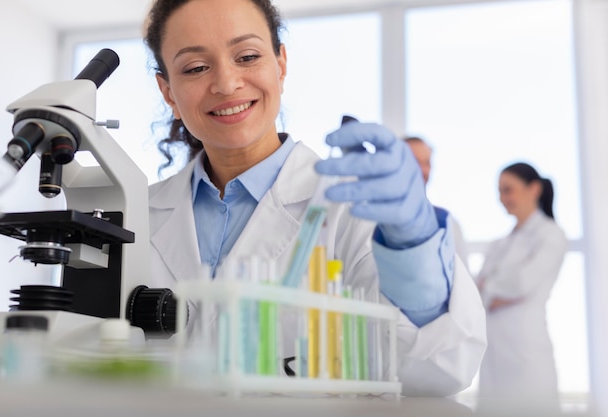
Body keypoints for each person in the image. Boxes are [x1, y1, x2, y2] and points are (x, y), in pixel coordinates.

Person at [144, 0, 486, 397]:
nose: (226, 82)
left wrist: (413, 247)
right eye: (196, 68)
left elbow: (441, 370)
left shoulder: (352, 209)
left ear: (281, 64)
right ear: (167, 89)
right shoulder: (135, 217)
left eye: (248, 56)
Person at [476, 162, 567, 400]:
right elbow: (477, 287)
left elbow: (523, 283)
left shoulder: (551, 234)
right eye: (499, 191)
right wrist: (495, 294)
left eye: (508, 189)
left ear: (534, 189)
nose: (502, 197)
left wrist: (490, 289)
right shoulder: (500, 243)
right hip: (493, 354)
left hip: (527, 353)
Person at [403, 136, 470, 267]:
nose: (423, 170)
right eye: (415, 162)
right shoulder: (371, 219)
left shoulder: (447, 222)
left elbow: (462, 279)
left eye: (427, 163)